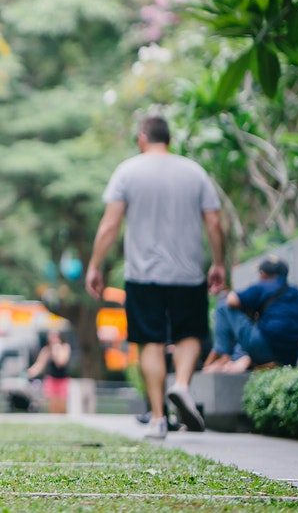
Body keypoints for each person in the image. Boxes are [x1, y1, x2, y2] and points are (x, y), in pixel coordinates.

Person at [85, 115, 225, 439]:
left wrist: (95, 265)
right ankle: (182, 384)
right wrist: (219, 263)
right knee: (190, 334)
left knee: (150, 341)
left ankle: (159, 417)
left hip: (143, 274)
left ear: (142, 138)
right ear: (169, 139)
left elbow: (109, 225)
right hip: (188, 272)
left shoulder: (128, 171)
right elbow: (215, 223)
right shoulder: (194, 172)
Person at [205, 256, 298, 373]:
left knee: (223, 304)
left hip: (265, 346)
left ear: (263, 274)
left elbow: (231, 300)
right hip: (289, 357)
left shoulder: (263, 286)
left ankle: (223, 354)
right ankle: (240, 359)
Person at [27, 329, 72, 413]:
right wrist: (28, 373)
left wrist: (56, 349)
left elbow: (61, 362)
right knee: (52, 405)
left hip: (62, 380)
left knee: (62, 406)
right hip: (51, 379)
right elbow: (39, 365)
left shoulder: (65, 347)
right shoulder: (46, 350)